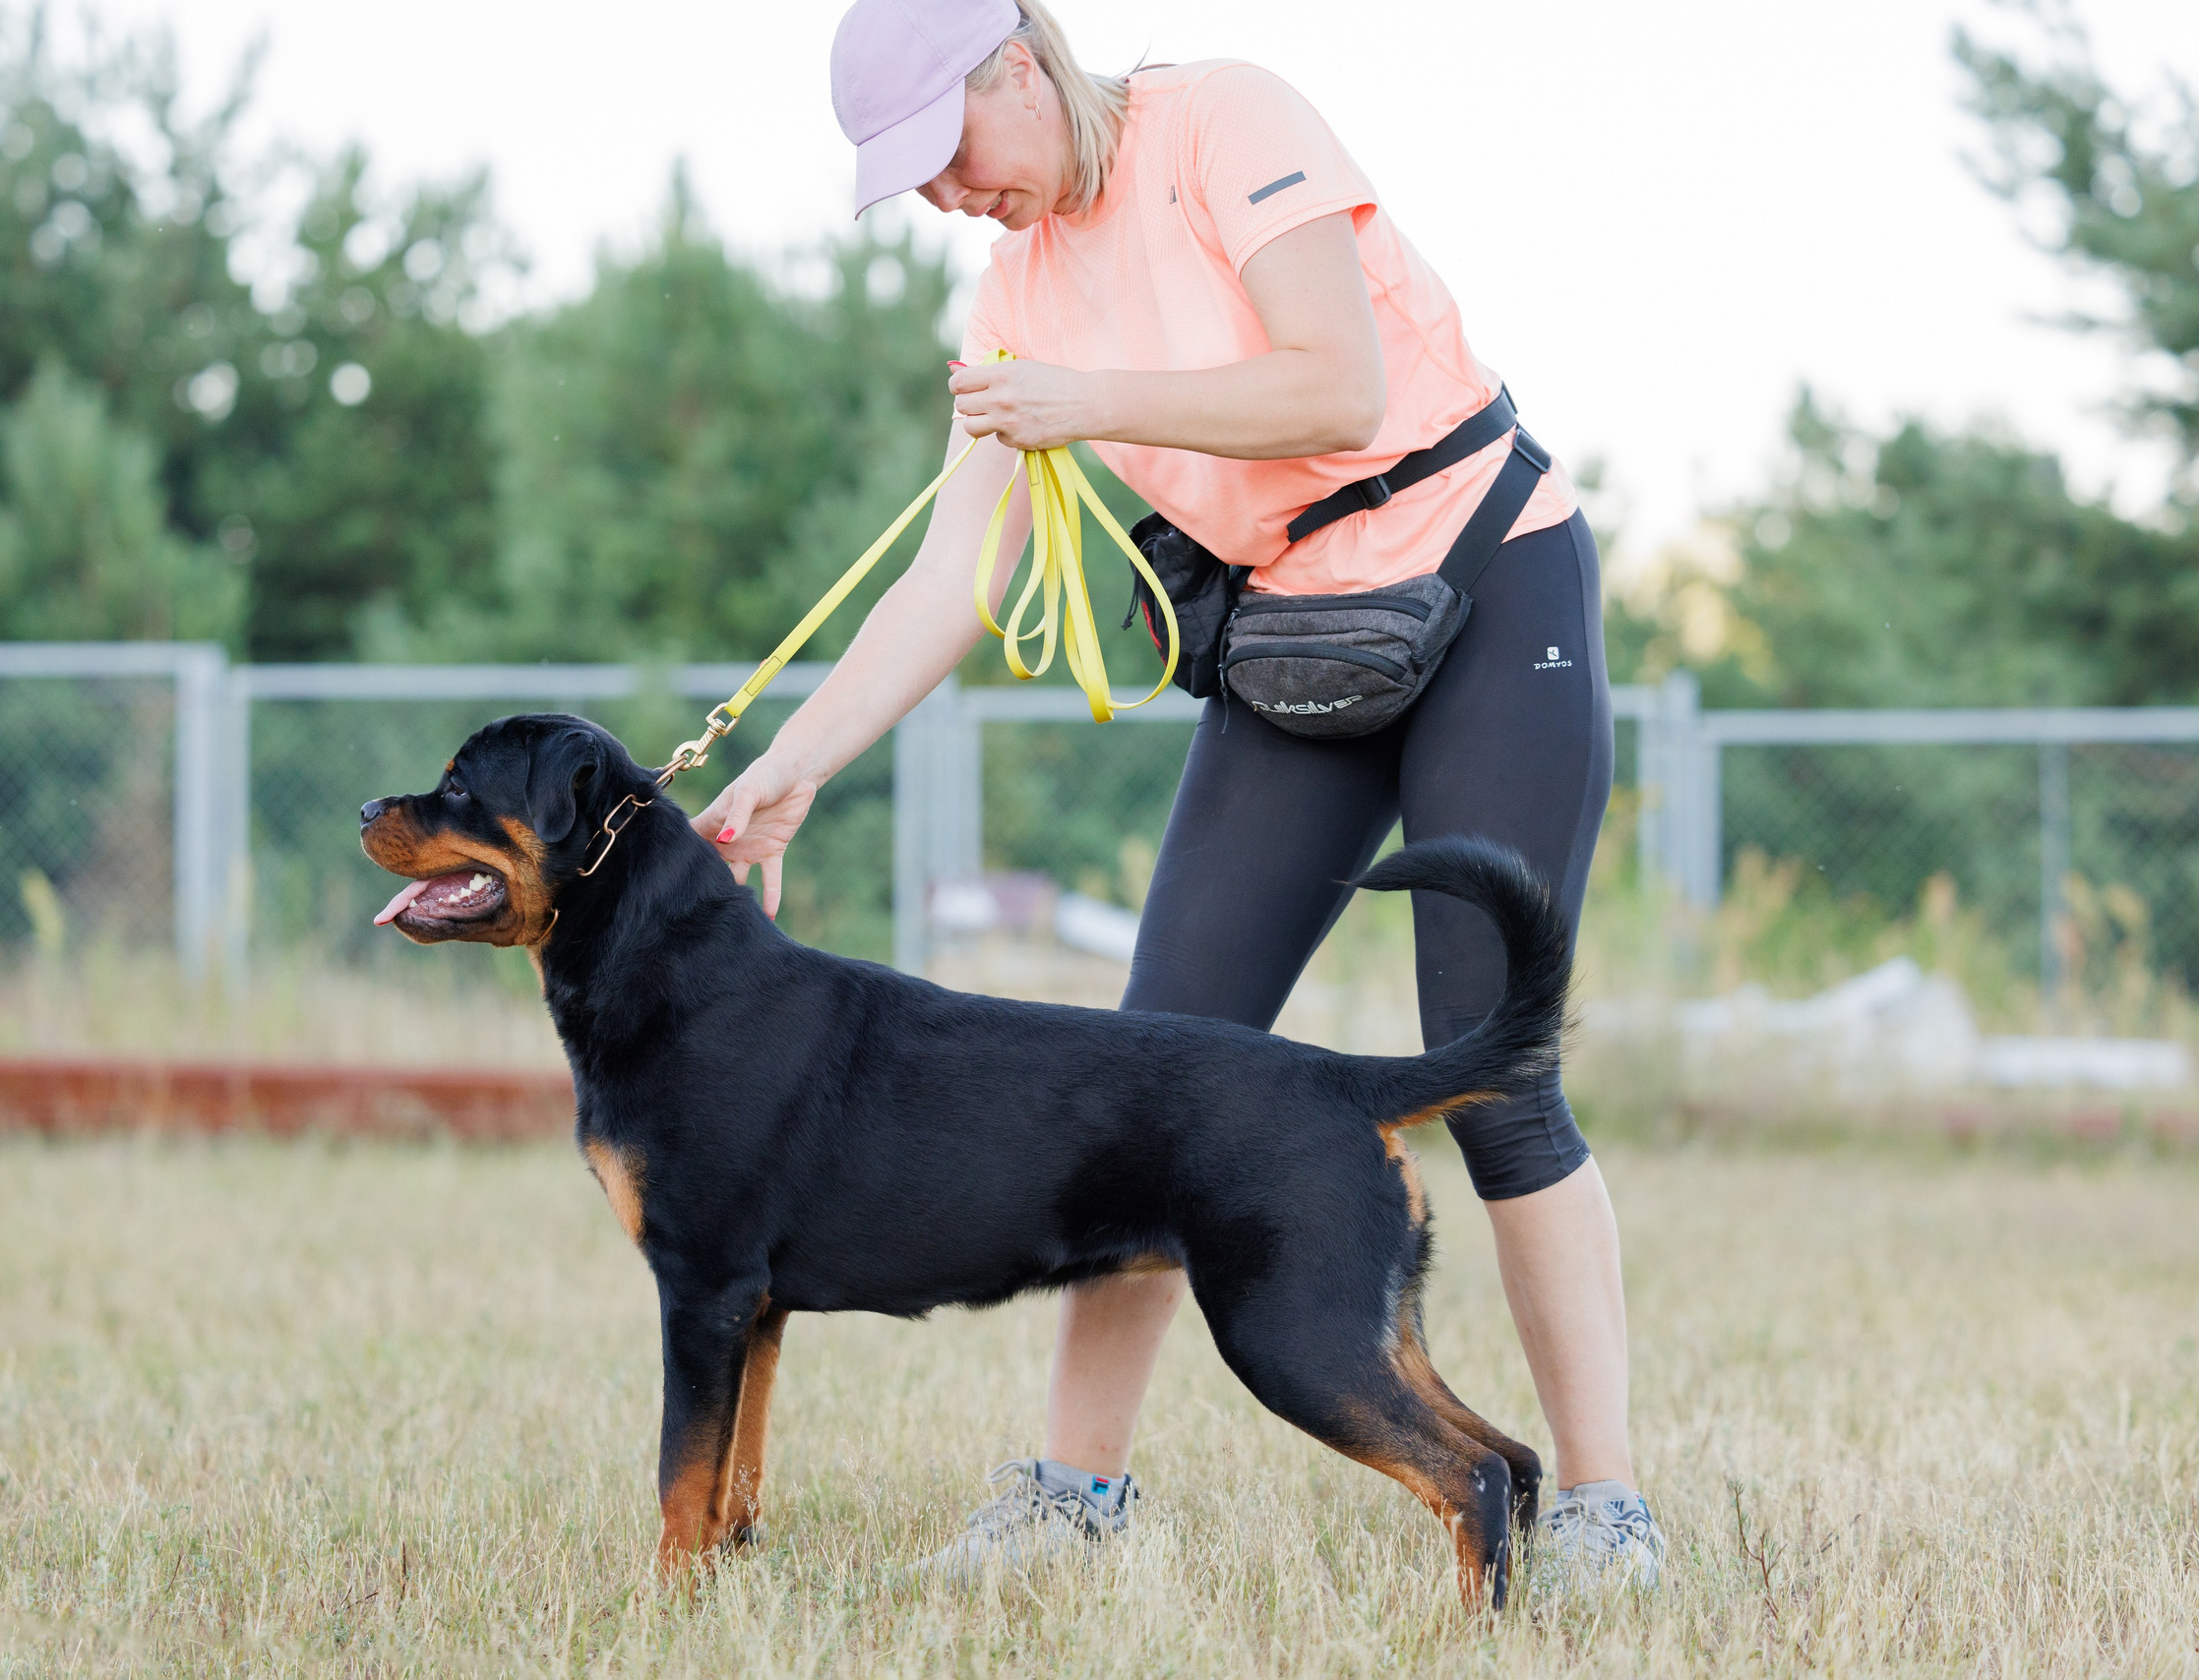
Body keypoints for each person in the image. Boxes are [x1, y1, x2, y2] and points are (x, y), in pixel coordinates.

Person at [698, 0, 1664, 1587]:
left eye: (947, 151)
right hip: (1305, 631)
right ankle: (1073, 1499)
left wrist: (1087, 399)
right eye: (911, 179)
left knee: (1496, 1074)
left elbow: (1336, 385)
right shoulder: (1013, 293)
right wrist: (792, 766)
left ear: (1020, 64)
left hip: (1487, 573)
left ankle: (1609, 1513)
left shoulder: (1226, 117)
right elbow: (955, 578)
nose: (944, 195)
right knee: (1148, 1073)